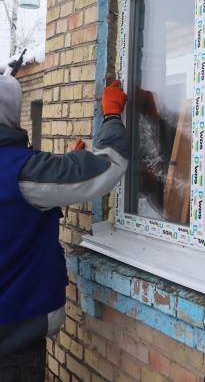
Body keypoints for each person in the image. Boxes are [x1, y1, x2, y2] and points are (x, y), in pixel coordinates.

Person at [0, 76, 129, 382]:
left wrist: (55, 178)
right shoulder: (22, 170)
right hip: (12, 345)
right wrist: (112, 117)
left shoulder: (24, 172)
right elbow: (107, 165)